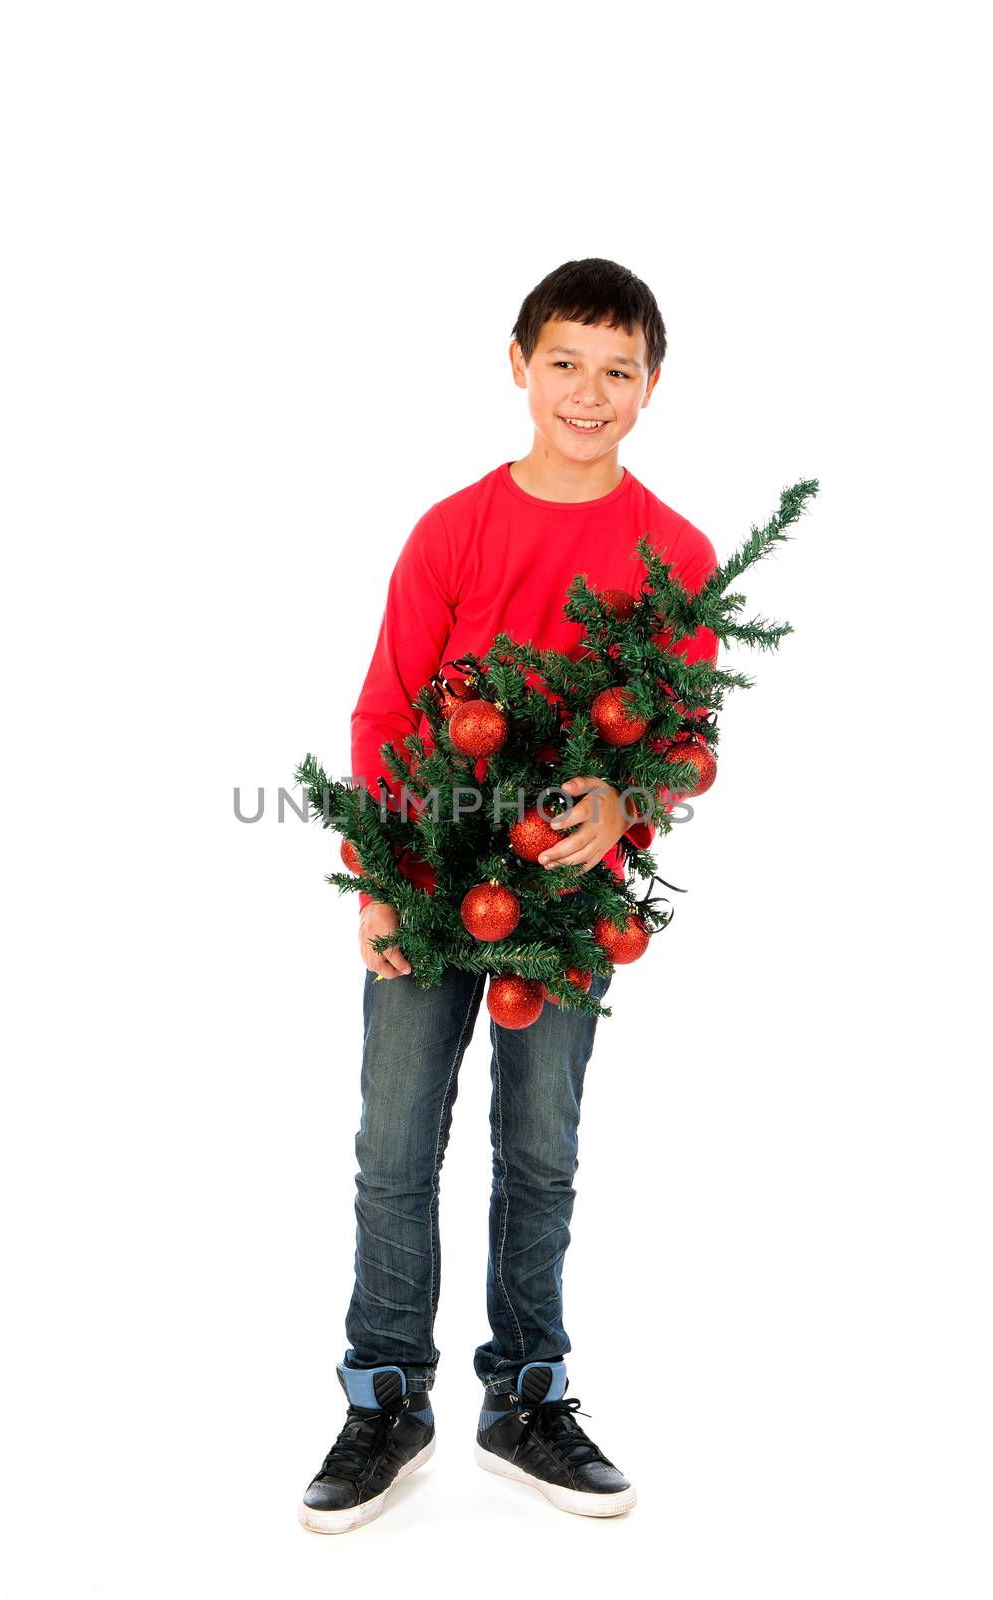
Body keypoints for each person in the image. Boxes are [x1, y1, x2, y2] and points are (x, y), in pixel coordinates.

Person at [298, 258, 719, 1533]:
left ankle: (526, 1394)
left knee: (539, 1151)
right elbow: (384, 710)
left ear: (651, 387)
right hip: (430, 883)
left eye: (617, 370)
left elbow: (681, 736)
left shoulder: (673, 550)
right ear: (519, 364)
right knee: (392, 1146)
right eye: (564, 363)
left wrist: (624, 808)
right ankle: (386, 1395)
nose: (586, 393)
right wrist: (377, 882)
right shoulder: (453, 530)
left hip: (566, 907)